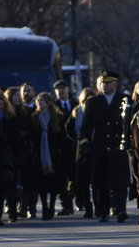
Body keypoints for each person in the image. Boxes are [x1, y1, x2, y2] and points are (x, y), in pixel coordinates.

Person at [79, 71, 132, 222]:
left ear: (115, 84)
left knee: (120, 180)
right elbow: (86, 126)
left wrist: (130, 142)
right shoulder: (93, 101)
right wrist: (85, 142)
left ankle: (121, 209)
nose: (104, 85)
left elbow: (129, 124)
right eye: (102, 83)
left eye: (107, 83)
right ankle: (103, 211)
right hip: (100, 145)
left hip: (118, 143)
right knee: (101, 180)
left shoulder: (125, 99)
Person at [31, 92, 67, 220]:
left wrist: (59, 150)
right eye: (38, 100)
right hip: (39, 154)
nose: (39, 102)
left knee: (53, 182)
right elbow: (32, 135)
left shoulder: (57, 117)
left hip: (53, 155)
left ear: (49, 102)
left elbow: (62, 136)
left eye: (42, 100)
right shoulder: (34, 117)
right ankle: (44, 207)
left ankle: (51, 205)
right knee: (41, 183)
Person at [65, 87, 97, 217]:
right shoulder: (77, 111)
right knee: (83, 180)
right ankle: (87, 206)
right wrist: (77, 138)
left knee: (95, 179)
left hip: (94, 146)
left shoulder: (96, 109)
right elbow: (68, 128)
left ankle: (98, 206)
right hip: (81, 148)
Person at [51, 80, 77, 215]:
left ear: (68, 90)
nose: (61, 91)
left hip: (74, 146)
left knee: (76, 175)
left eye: (63, 88)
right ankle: (66, 205)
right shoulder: (52, 106)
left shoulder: (75, 104)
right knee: (61, 177)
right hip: (60, 147)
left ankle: (80, 201)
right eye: (58, 89)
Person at [0, 91, 24, 224]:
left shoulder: (11, 118)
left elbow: (16, 140)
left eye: (2, 104)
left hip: (8, 156)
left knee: (9, 186)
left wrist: (18, 158)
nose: (0, 106)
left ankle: (12, 213)